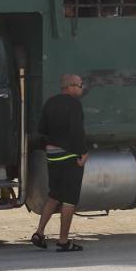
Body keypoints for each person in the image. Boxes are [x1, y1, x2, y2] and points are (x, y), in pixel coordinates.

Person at [32, 73, 89, 252]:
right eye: (80, 85)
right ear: (70, 86)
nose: (82, 88)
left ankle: (39, 233)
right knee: (70, 200)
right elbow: (76, 131)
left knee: (54, 195)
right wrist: (84, 153)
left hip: (53, 155)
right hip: (69, 155)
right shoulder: (74, 104)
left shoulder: (50, 102)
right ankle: (63, 241)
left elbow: (42, 129)